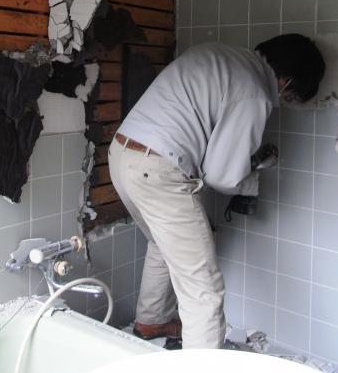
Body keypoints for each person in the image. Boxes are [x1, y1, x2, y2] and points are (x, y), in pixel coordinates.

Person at [108, 34, 325, 349]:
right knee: (204, 292)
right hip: (157, 169)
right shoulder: (255, 92)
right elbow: (222, 176)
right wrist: (252, 179)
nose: (282, 100)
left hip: (122, 155)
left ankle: (152, 320)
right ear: (285, 81)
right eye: (289, 96)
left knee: (162, 242)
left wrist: (244, 162)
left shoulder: (220, 55)